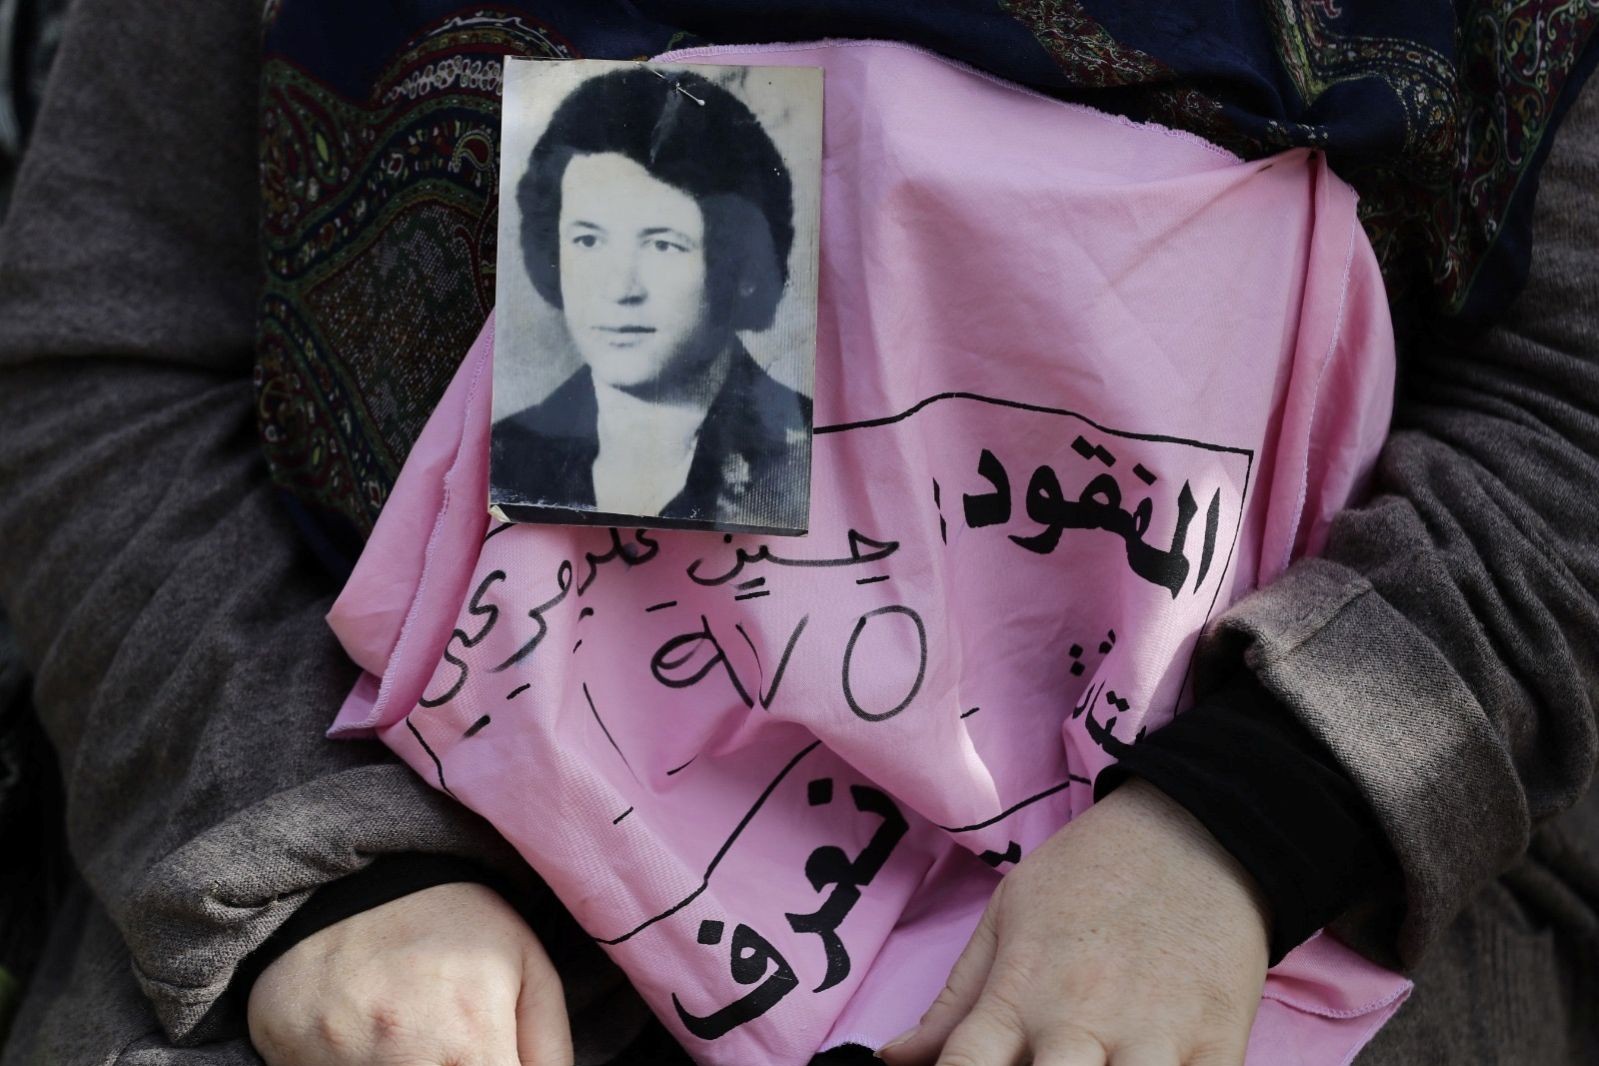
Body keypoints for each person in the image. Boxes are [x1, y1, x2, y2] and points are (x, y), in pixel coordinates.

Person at [0, 3, 1594, 1066]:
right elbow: (109, 354)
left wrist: (1253, 823)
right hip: (393, 913)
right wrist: (314, 871)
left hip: (1238, 925)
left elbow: (1567, 410)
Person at [491, 68, 811, 532]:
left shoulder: (801, 452)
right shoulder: (511, 455)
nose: (620, 289)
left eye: (663, 245)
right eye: (587, 241)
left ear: (740, 266)